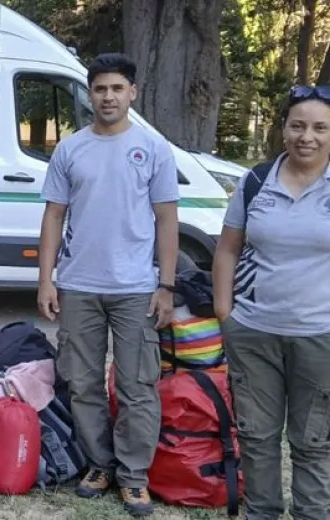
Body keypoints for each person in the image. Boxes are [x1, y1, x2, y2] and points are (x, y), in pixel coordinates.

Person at [36, 53, 179, 517]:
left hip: (136, 287)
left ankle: (134, 476)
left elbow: (166, 220)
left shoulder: (153, 148)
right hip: (78, 284)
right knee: (82, 383)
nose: (108, 97)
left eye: (117, 88)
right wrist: (46, 280)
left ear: (132, 92)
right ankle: (100, 465)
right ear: (90, 94)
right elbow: (54, 216)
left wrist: (166, 285)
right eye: (100, 89)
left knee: (138, 386)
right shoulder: (71, 149)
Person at [212, 84, 330, 520]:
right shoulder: (256, 181)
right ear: (283, 129)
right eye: (297, 126)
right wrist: (225, 314)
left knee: (314, 441)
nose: (307, 137)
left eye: (320, 128)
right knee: (257, 436)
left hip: (321, 336)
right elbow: (227, 250)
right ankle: (261, 513)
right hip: (254, 332)